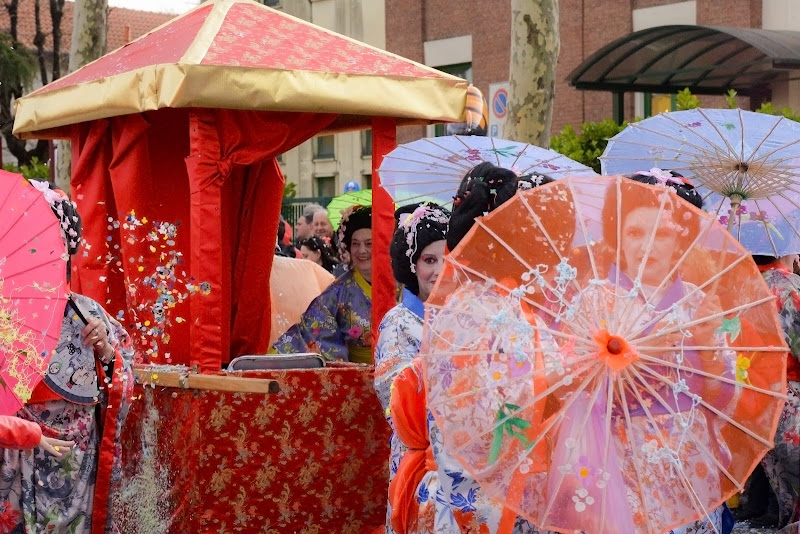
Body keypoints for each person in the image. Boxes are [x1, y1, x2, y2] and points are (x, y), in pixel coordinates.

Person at [0, 180, 134, 533]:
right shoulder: (5, 311)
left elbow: (124, 380)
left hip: (79, 450)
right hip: (18, 446)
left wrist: (107, 352)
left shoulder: (88, 312)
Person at [373, 202, 450, 534]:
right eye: (429, 260)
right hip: (419, 454)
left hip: (458, 456)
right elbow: (396, 404)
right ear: (412, 265)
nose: (439, 270)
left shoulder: (463, 318)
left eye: (447, 259)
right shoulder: (398, 323)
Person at [271, 206, 373, 363]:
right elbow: (310, 334)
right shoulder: (339, 291)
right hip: (361, 376)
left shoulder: (406, 286)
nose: (362, 250)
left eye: (369, 243)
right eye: (355, 244)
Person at [751, 253, 800, 529]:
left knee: (788, 500)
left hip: (756, 408)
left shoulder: (738, 286)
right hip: (791, 402)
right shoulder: (787, 287)